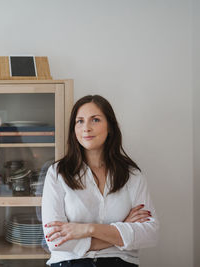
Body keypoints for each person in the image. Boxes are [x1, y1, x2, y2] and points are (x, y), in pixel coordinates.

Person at [41, 95, 159, 267]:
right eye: (79, 121)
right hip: (71, 263)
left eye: (95, 120)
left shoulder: (131, 174)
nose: (86, 128)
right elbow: (56, 242)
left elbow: (150, 233)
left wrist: (88, 229)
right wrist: (122, 229)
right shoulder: (57, 173)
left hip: (121, 262)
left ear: (110, 127)